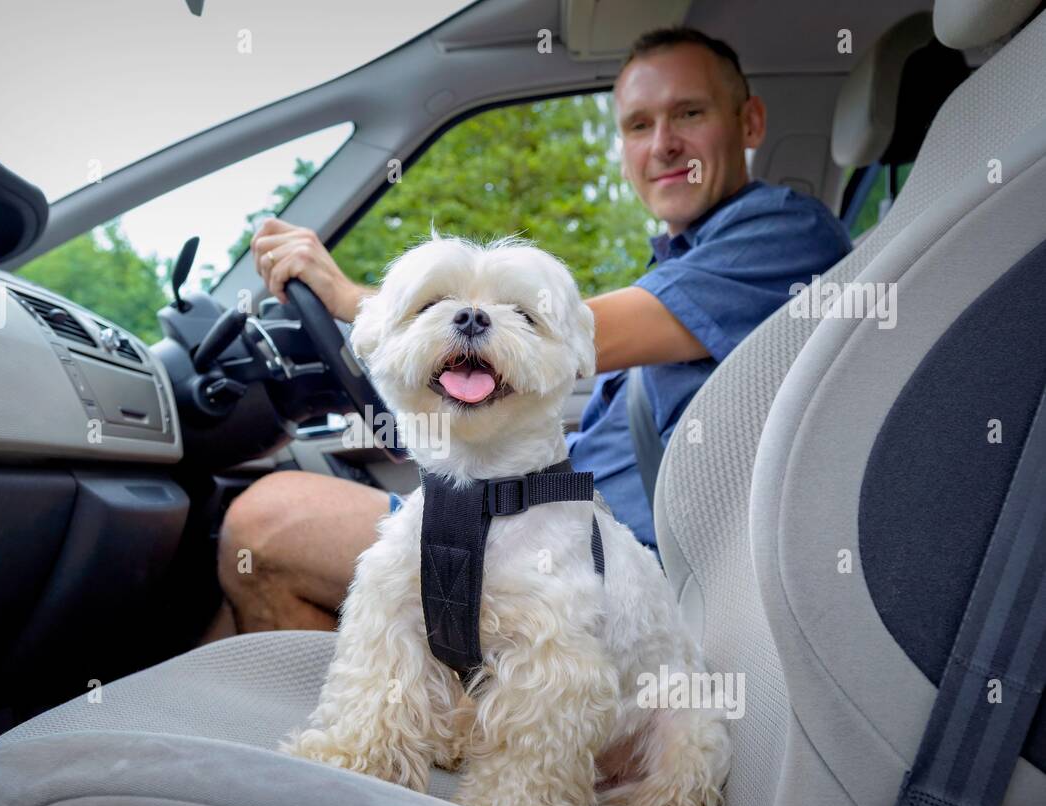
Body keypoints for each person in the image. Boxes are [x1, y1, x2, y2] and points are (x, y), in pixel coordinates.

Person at [201, 26, 852, 643]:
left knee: (264, 523)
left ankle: (349, 759)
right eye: (638, 124)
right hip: (549, 528)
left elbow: (559, 332)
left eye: (689, 114)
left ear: (750, 124)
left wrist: (354, 300)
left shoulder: (785, 233)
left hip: (602, 569)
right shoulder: (685, 259)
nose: (663, 145)